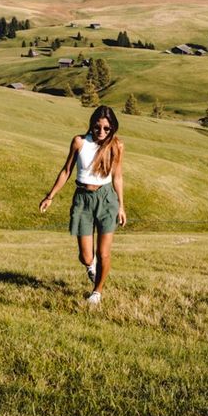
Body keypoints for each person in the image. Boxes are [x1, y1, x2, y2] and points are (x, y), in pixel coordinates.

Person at [39, 105, 126, 305]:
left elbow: (118, 177)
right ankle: (91, 267)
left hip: (106, 199)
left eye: (107, 128)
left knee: (104, 252)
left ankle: (97, 292)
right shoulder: (79, 142)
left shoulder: (116, 146)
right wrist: (50, 196)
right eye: (98, 127)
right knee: (87, 257)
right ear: (91, 125)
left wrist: (121, 206)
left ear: (112, 128)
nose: (102, 132)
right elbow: (66, 170)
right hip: (82, 200)